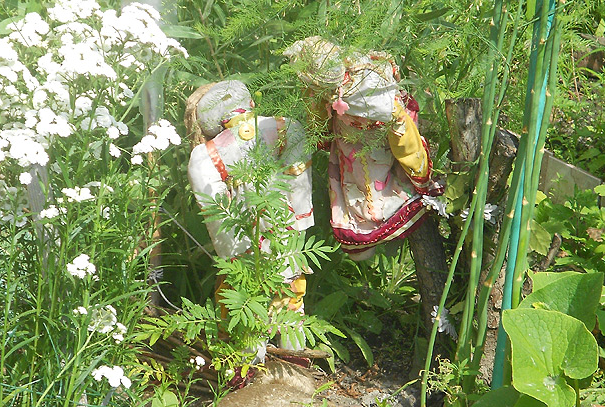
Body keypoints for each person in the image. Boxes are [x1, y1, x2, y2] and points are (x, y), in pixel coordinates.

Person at [284, 37, 446, 261]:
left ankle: (373, 232)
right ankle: (361, 238)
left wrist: (419, 171)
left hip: (373, 145)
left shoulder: (369, 96)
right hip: (349, 144)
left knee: (369, 192)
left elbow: (401, 129)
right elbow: (317, 116)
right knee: (352, 186)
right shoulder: (334, 85)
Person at [185, 80, 314, 352]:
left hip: (245, 234)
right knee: (290, 291)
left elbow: (216, 212)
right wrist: (300, 224)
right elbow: (299, 182)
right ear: (251, 103)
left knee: (243, 300)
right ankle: (295, 356)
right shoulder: (285, 127)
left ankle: (248, 360)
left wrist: (233, 254)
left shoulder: (205, 155)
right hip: (283, 229)